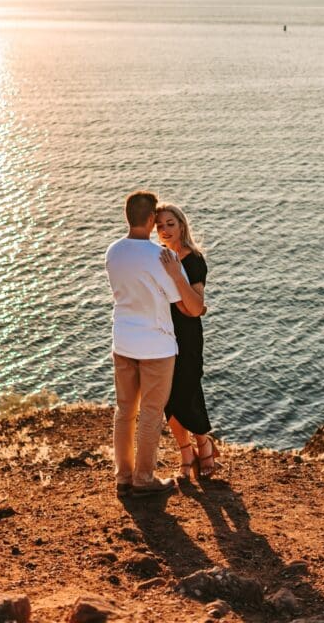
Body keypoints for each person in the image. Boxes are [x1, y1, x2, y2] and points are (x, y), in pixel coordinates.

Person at [105, 190, 205, 497]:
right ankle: (144, 479)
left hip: (122, 342)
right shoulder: (161, 257)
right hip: (157, 347)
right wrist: (177, 277)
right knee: (149, 413)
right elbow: (191, 307)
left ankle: (123, 477)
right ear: (150, 220)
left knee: (124, 411)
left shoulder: (113, 252)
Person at [156, 202, 219, 479]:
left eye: (171, 223)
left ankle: (204, 446)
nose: (166, 230)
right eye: (160, 226)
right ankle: (185, 452)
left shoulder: (193, 260)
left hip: (188, 336)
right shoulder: (156, 257)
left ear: (182, 225)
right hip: (161, 333)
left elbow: (194, 308)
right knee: (166, 399)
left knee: (188, 393)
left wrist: (175, 274)